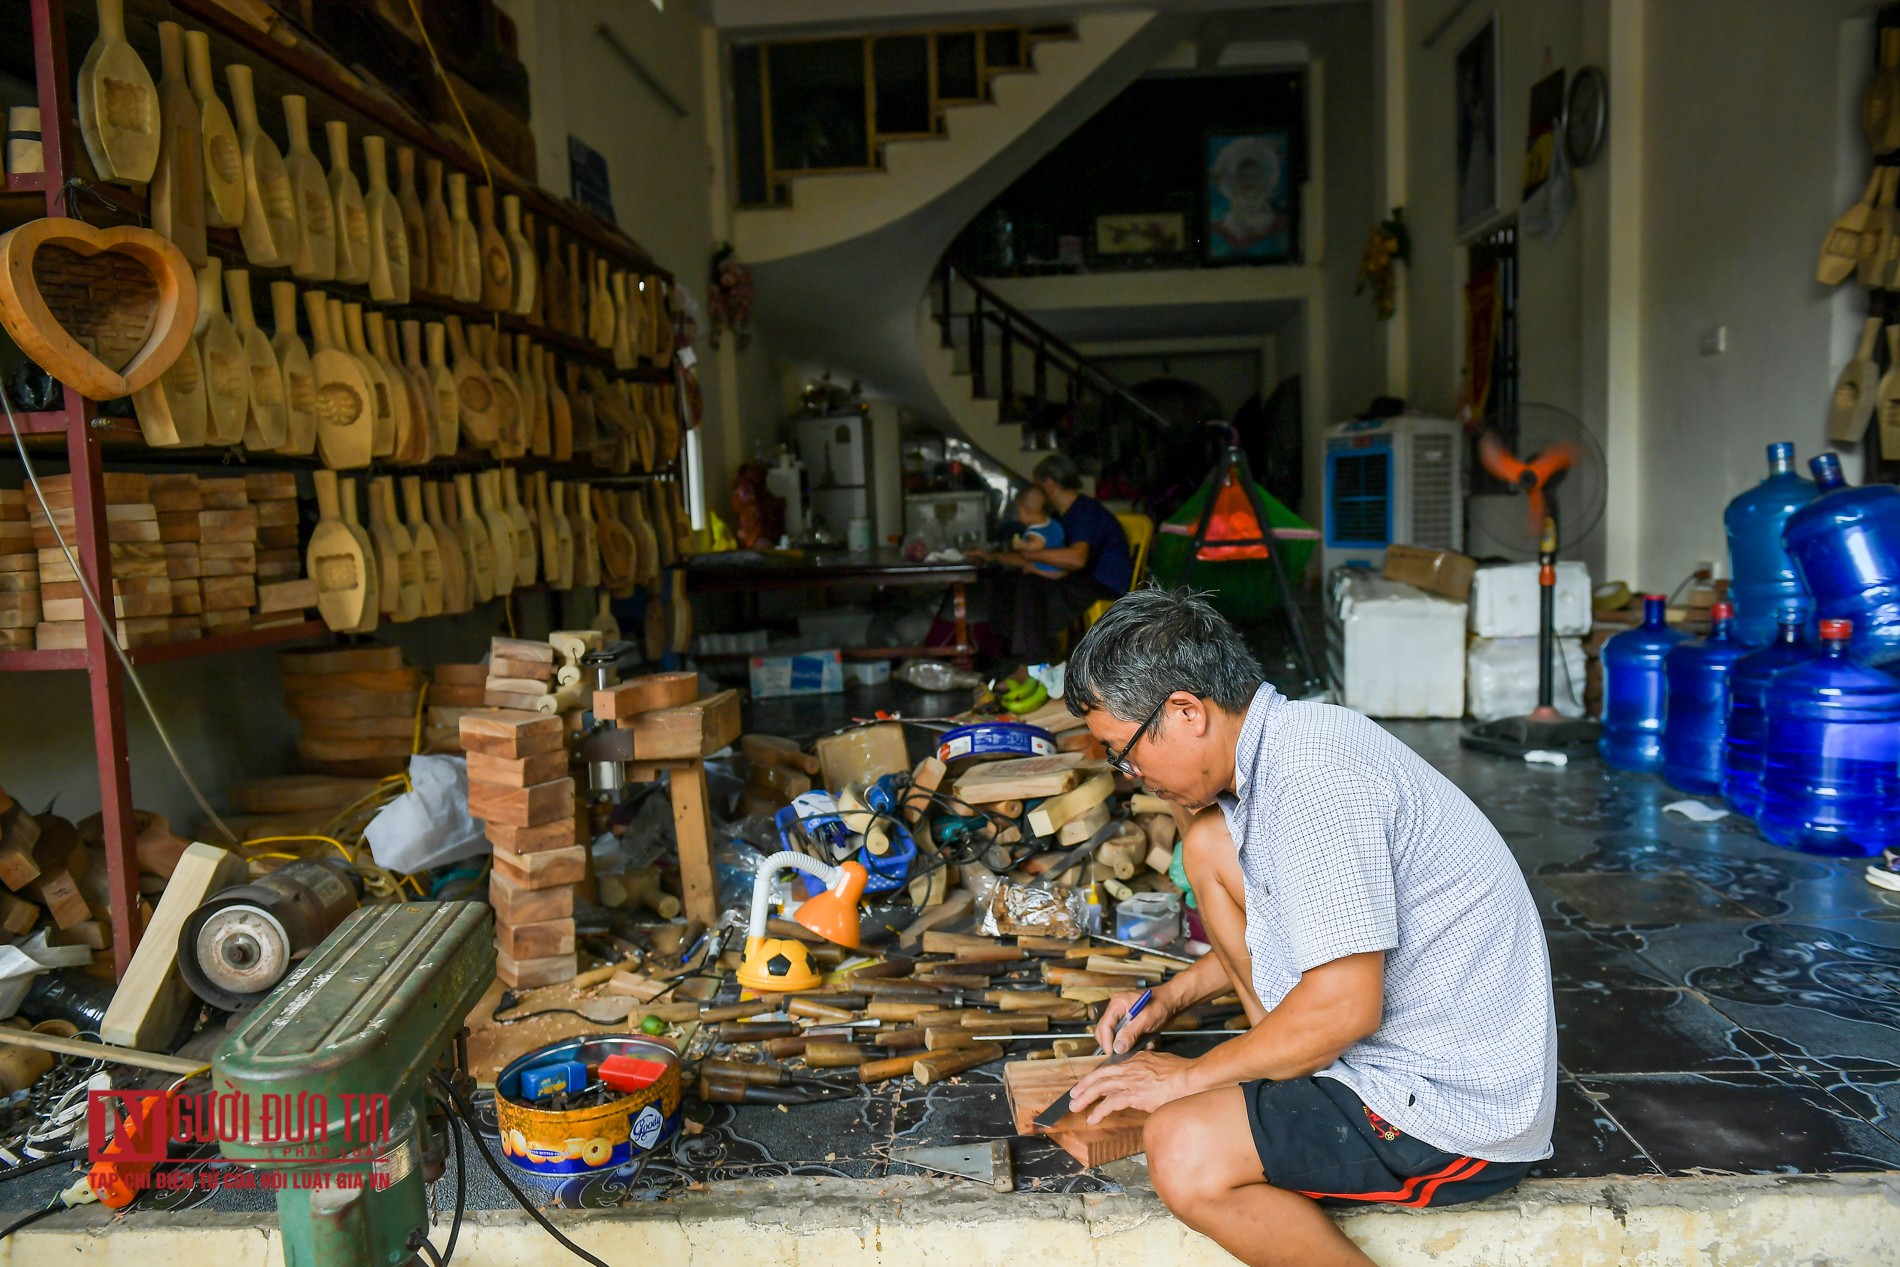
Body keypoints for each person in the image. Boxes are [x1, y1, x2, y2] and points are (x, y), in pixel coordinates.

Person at [1061, 589, 1555, 1267]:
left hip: (1452, 1108)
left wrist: (1188, 1079)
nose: (1133, 776)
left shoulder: (1316, 780)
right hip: (1400, 1057)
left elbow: (1344, 1006)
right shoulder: (1282, 756)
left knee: (1183, 1145)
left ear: (1185, 711)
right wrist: (1171, 997)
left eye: (1127, 753)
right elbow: (1294, 931)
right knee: (1205, 844)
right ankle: (1273, 1066)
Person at [973, 454, 1132, 663]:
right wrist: (992, 557)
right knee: (1006, 581)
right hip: (1076, 579)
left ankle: (1034, 663)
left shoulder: (1085, 511)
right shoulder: (1056, 518)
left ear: (1049, 485)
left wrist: (1030, 553)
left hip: (1102, 582)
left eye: (1036, 485)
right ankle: (1010, 660)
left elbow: (1076, 559)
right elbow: (1040, 560)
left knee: (1031, 586)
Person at [1011, 486, 1066, 577]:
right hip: (1061, 563)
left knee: (1028, 567)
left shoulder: (1034, 532)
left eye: (1019, 513)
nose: (1018, 517)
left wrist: (1021, 545)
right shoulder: (1052, 522)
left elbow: (1037, 545)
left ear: (1026, 512)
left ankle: (1036, 571)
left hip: (1047, 567)